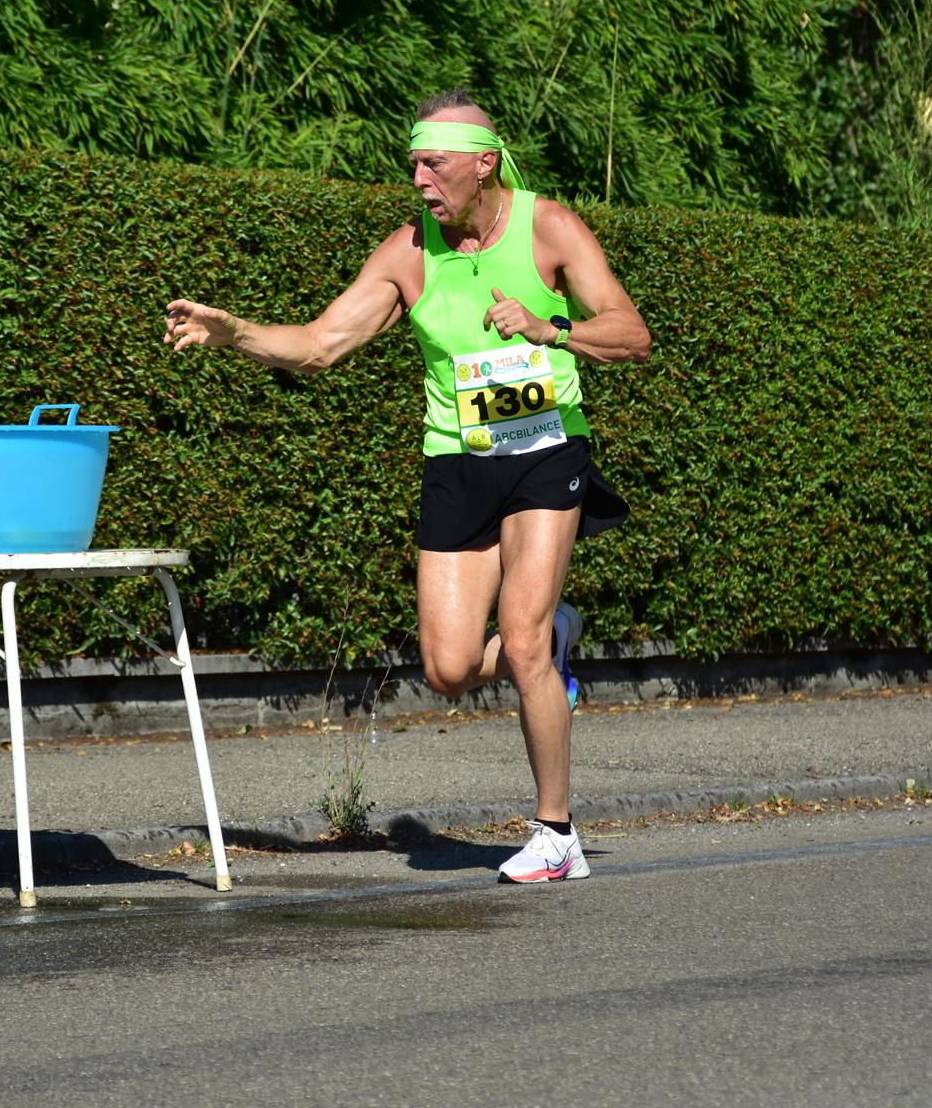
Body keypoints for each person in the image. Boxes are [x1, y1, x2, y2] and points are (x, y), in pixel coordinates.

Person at [165, 89, 649, 882]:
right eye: (413, 164)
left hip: (544, 448)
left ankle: (556, 833)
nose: (419, 179)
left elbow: (631, 335)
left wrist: (549, 328)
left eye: (434, 164)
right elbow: (321, 344)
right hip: (457, 458)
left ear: (483, 165)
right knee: (449, 669)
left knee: (521, 635)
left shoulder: (548, 227)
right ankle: (557, 639)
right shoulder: (407, 253)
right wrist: (235, 334)